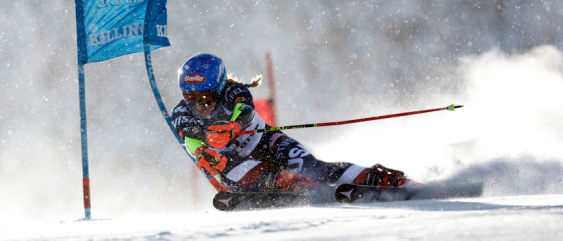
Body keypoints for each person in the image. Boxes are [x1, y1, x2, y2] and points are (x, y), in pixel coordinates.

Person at [171, 53, 412, 193]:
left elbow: (245, 110)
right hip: (233, 161)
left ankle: (376, 178)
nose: (199, 104)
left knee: (315, 167)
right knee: (267, 177)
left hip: (267, 141)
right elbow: (190, 138)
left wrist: (233, 127)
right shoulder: (182, 112)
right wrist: (202, 152)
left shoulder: (234, 91)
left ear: (220, 86)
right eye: (190, 97)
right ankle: (302, 189)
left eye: (206, 96)